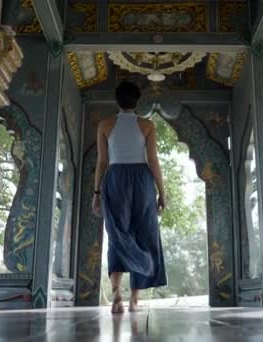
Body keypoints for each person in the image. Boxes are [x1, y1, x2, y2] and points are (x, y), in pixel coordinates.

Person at [92, 81, 167, 314]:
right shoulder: (147, 125)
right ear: (137, 102)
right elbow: (153, 160)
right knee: (144, 235)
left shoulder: (105, 124)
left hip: (115, 179)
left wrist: (96, 193)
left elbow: (102, 163)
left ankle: (116, 295)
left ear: (117, 100)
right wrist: (162, 192)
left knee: (117, 234)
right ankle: (134, 299)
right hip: (142, 180)